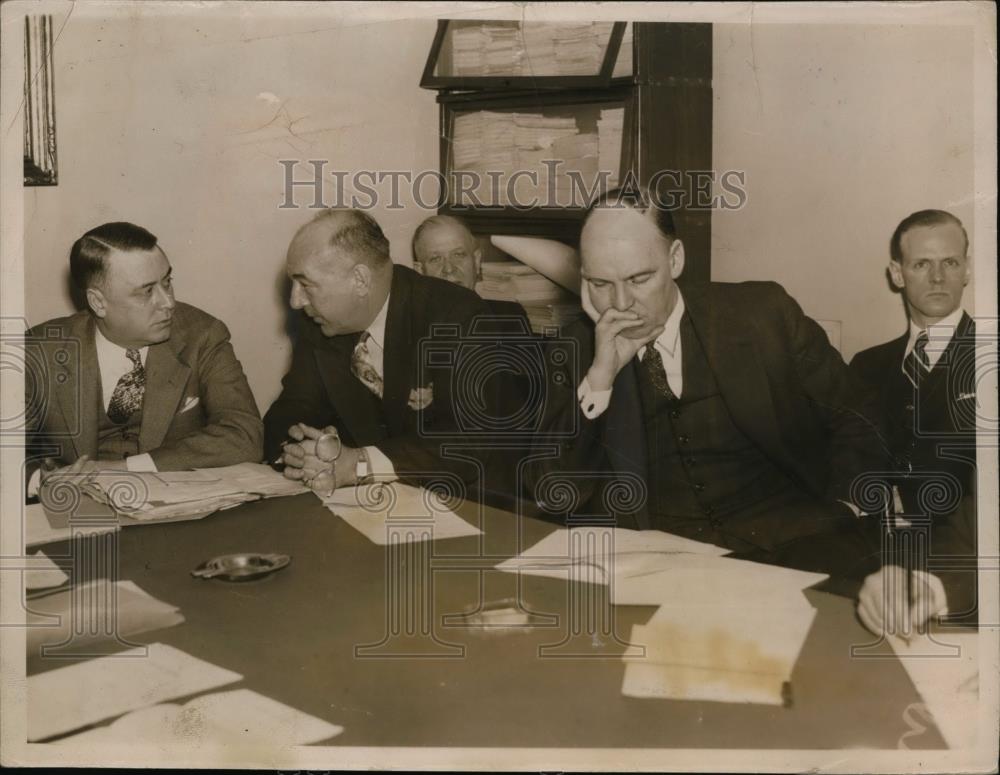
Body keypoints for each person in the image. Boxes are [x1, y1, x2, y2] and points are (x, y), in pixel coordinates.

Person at [526, 187, 888, 576]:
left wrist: (847, 504)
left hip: (792, 539)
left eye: (640, 278)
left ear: (675, 259)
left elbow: (858, 416)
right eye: (600, 284)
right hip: (663, 562)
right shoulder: (578, 350)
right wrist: (601, 378)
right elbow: (553, 494)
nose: (620, 303)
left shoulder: (762, 315)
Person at [25, 222, 263, 497]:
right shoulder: (40, 350)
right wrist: (42, 481)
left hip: (176, 507)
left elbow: (245, 435)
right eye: (147, 291)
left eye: (167, 282)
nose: (168, 303)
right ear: (98, 302)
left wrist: (126, 468)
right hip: (77, 512)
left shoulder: (203, 335)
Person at [265, 209, 491, 496]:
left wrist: (357, 464)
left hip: (468, 507)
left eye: (306, 284)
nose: (295, 301)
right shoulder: (321, 324)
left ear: (360, 280)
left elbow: (467, 441)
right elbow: (288, 411)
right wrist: (299, 450)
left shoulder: (458, 314)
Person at [851, 209, 979, 628]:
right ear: (897, 274)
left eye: (950, 263)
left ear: (967, 270)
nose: (938, 277)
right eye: (922, 264)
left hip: (960, 581)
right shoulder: (867, 366)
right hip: (868, 570)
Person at [412, 214, 527, 319]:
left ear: (476, 261)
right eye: (436, 259)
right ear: (420, 272)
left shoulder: (511, 318)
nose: (449, 268)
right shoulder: (406, 329)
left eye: (458, 254)